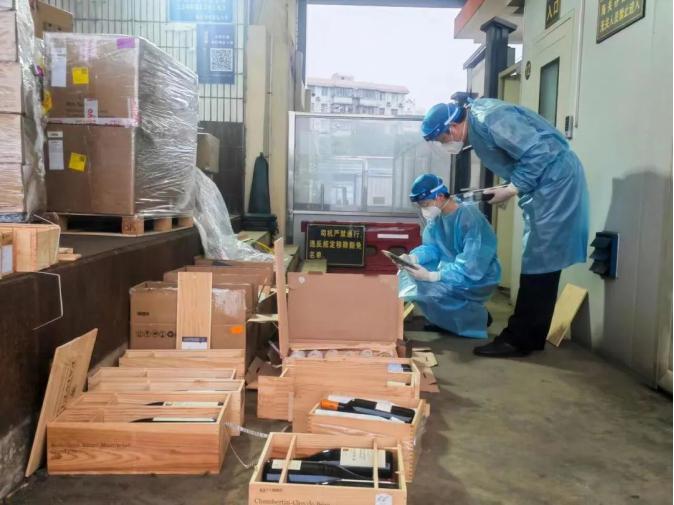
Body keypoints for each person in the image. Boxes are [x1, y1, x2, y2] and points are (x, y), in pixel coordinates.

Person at [421, 96, 589, 357]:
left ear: (452, 127)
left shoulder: (490, 118)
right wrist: (509, 186)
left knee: (541, 260)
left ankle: (519, 339)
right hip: (545, 184)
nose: (445, 144)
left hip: (555, 183)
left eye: (443, 139)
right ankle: (530, 336)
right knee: (539, 259)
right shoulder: (479, 122)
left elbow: (539, 152)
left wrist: (512, 188)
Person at [398, 173, 501, 339]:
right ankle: (446, 320)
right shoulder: (437, 218)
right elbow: (432, 248)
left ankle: (474, 319)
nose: (424, 209)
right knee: (408, 276)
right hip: (453, 268)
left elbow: (472, 264)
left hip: (478, 274)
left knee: (429, 287)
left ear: (439, 196)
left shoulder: (469, 217)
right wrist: (413, 258)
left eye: (425, 204)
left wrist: (433, 276)